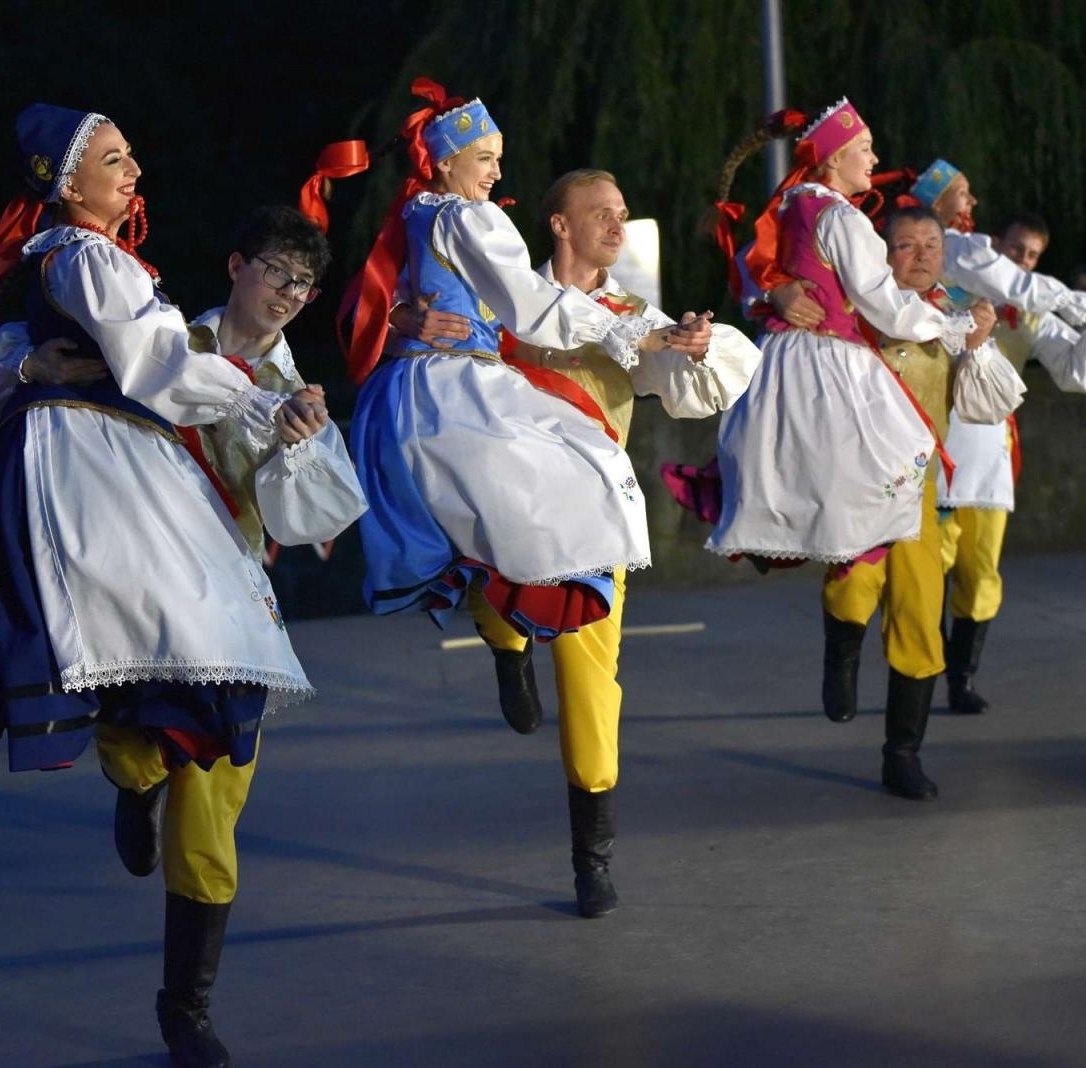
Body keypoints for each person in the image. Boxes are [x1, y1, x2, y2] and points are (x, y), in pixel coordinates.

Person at [0, 106, 365, 1068]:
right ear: (237, 268)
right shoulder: (150, 307)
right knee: (155, 705)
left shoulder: (230, 344)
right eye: (279, 274)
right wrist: (22, 361)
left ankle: (187, 1004)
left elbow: (50, 349)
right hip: (136, 524)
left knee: (218, 754)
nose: (293, 294)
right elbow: (146, 364)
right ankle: (132, 789)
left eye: (306, 284)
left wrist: (291, 430)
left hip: (209, 567)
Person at [393, 168, 761, 915]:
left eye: (623, 213)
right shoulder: (501, 299)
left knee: (593, 685)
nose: (617, 226)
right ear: (558, 225)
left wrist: (694, 346)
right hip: (511, 510)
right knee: (494, 598)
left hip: (591, 519)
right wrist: (405, 320)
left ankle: (591, 856)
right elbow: (419, 343)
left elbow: (684, 388)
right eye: (600, 213)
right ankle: (505, 649)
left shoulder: (630, 313)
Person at [338, 80, 699, 648]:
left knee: (504, 509)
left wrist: (403, 316)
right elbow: (529, 305)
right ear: (444, 159)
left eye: (497, 160)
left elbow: (381, 297)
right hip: (455, 385)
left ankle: (508, 631)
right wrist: (626, 329)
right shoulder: (469, 216)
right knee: (586, 464)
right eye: (484, 159)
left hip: (409, 391)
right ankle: (529, 622)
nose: (496, 174)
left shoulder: (415, 214)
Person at [704, 101, 984, 565]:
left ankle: (794, 538)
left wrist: (774, 292)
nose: (875, 160)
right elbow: (884, 304)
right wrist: (949, 323)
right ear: (834, 158)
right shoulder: (841, 217)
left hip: (779, 355)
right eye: (866, 149)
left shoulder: (793, 205)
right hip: (827, 355)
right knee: (890, 450)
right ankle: (845, 542)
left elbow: (747, 263)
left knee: (787, 460)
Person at [819, 206, 1022, 798]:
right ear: (881, 255)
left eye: (931, 243)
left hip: (920, 490)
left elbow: (990, 400)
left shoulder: (954, 316)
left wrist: (980, 342)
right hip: (856, 486)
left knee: (919, 616)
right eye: (906, 245)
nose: (923, 254)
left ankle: (901, 754)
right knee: (854, 585)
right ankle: (842, 653)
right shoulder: (849, 311)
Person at [935, 212, 1086, 715]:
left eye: (1031, 257)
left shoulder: (1031, 312)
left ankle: (961, 678)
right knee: (926, 568)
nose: (1021, 262)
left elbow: (1075, 369)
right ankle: (921, 669)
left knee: (980, 572)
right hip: (930, 446)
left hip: (986, 453)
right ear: (994, 245)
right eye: (1015, 250)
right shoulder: (949, 277)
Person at [909, 160, 1086, 330]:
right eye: (963, 193)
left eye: (1033, 255)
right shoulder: (953, 245)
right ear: (937, 204)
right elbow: (1013, 284)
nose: (973, 201)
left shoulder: (939, 243)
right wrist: (1079, 301)